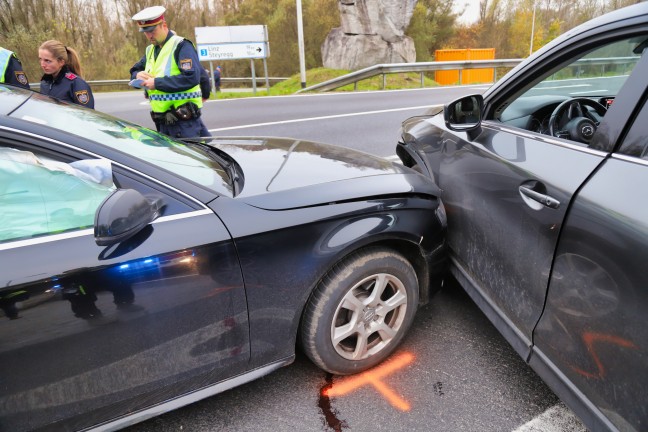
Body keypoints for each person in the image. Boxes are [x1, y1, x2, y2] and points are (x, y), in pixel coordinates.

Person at [129, 5, 209, 139]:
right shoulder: (151, 50)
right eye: (145, 32)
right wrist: (136, 75)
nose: (149, 35)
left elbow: (191, 78)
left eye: (152, 30)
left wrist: (157, 83)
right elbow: (134, 69)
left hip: (183, 122)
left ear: (163, 25)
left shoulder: (182, 46)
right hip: (162, 122)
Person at [38, 40, 94, 108]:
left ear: (61, 62)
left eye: (47, 61)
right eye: (40, 59)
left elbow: (86, 115)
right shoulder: (45, 83)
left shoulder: (76, 84)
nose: (42, 64)